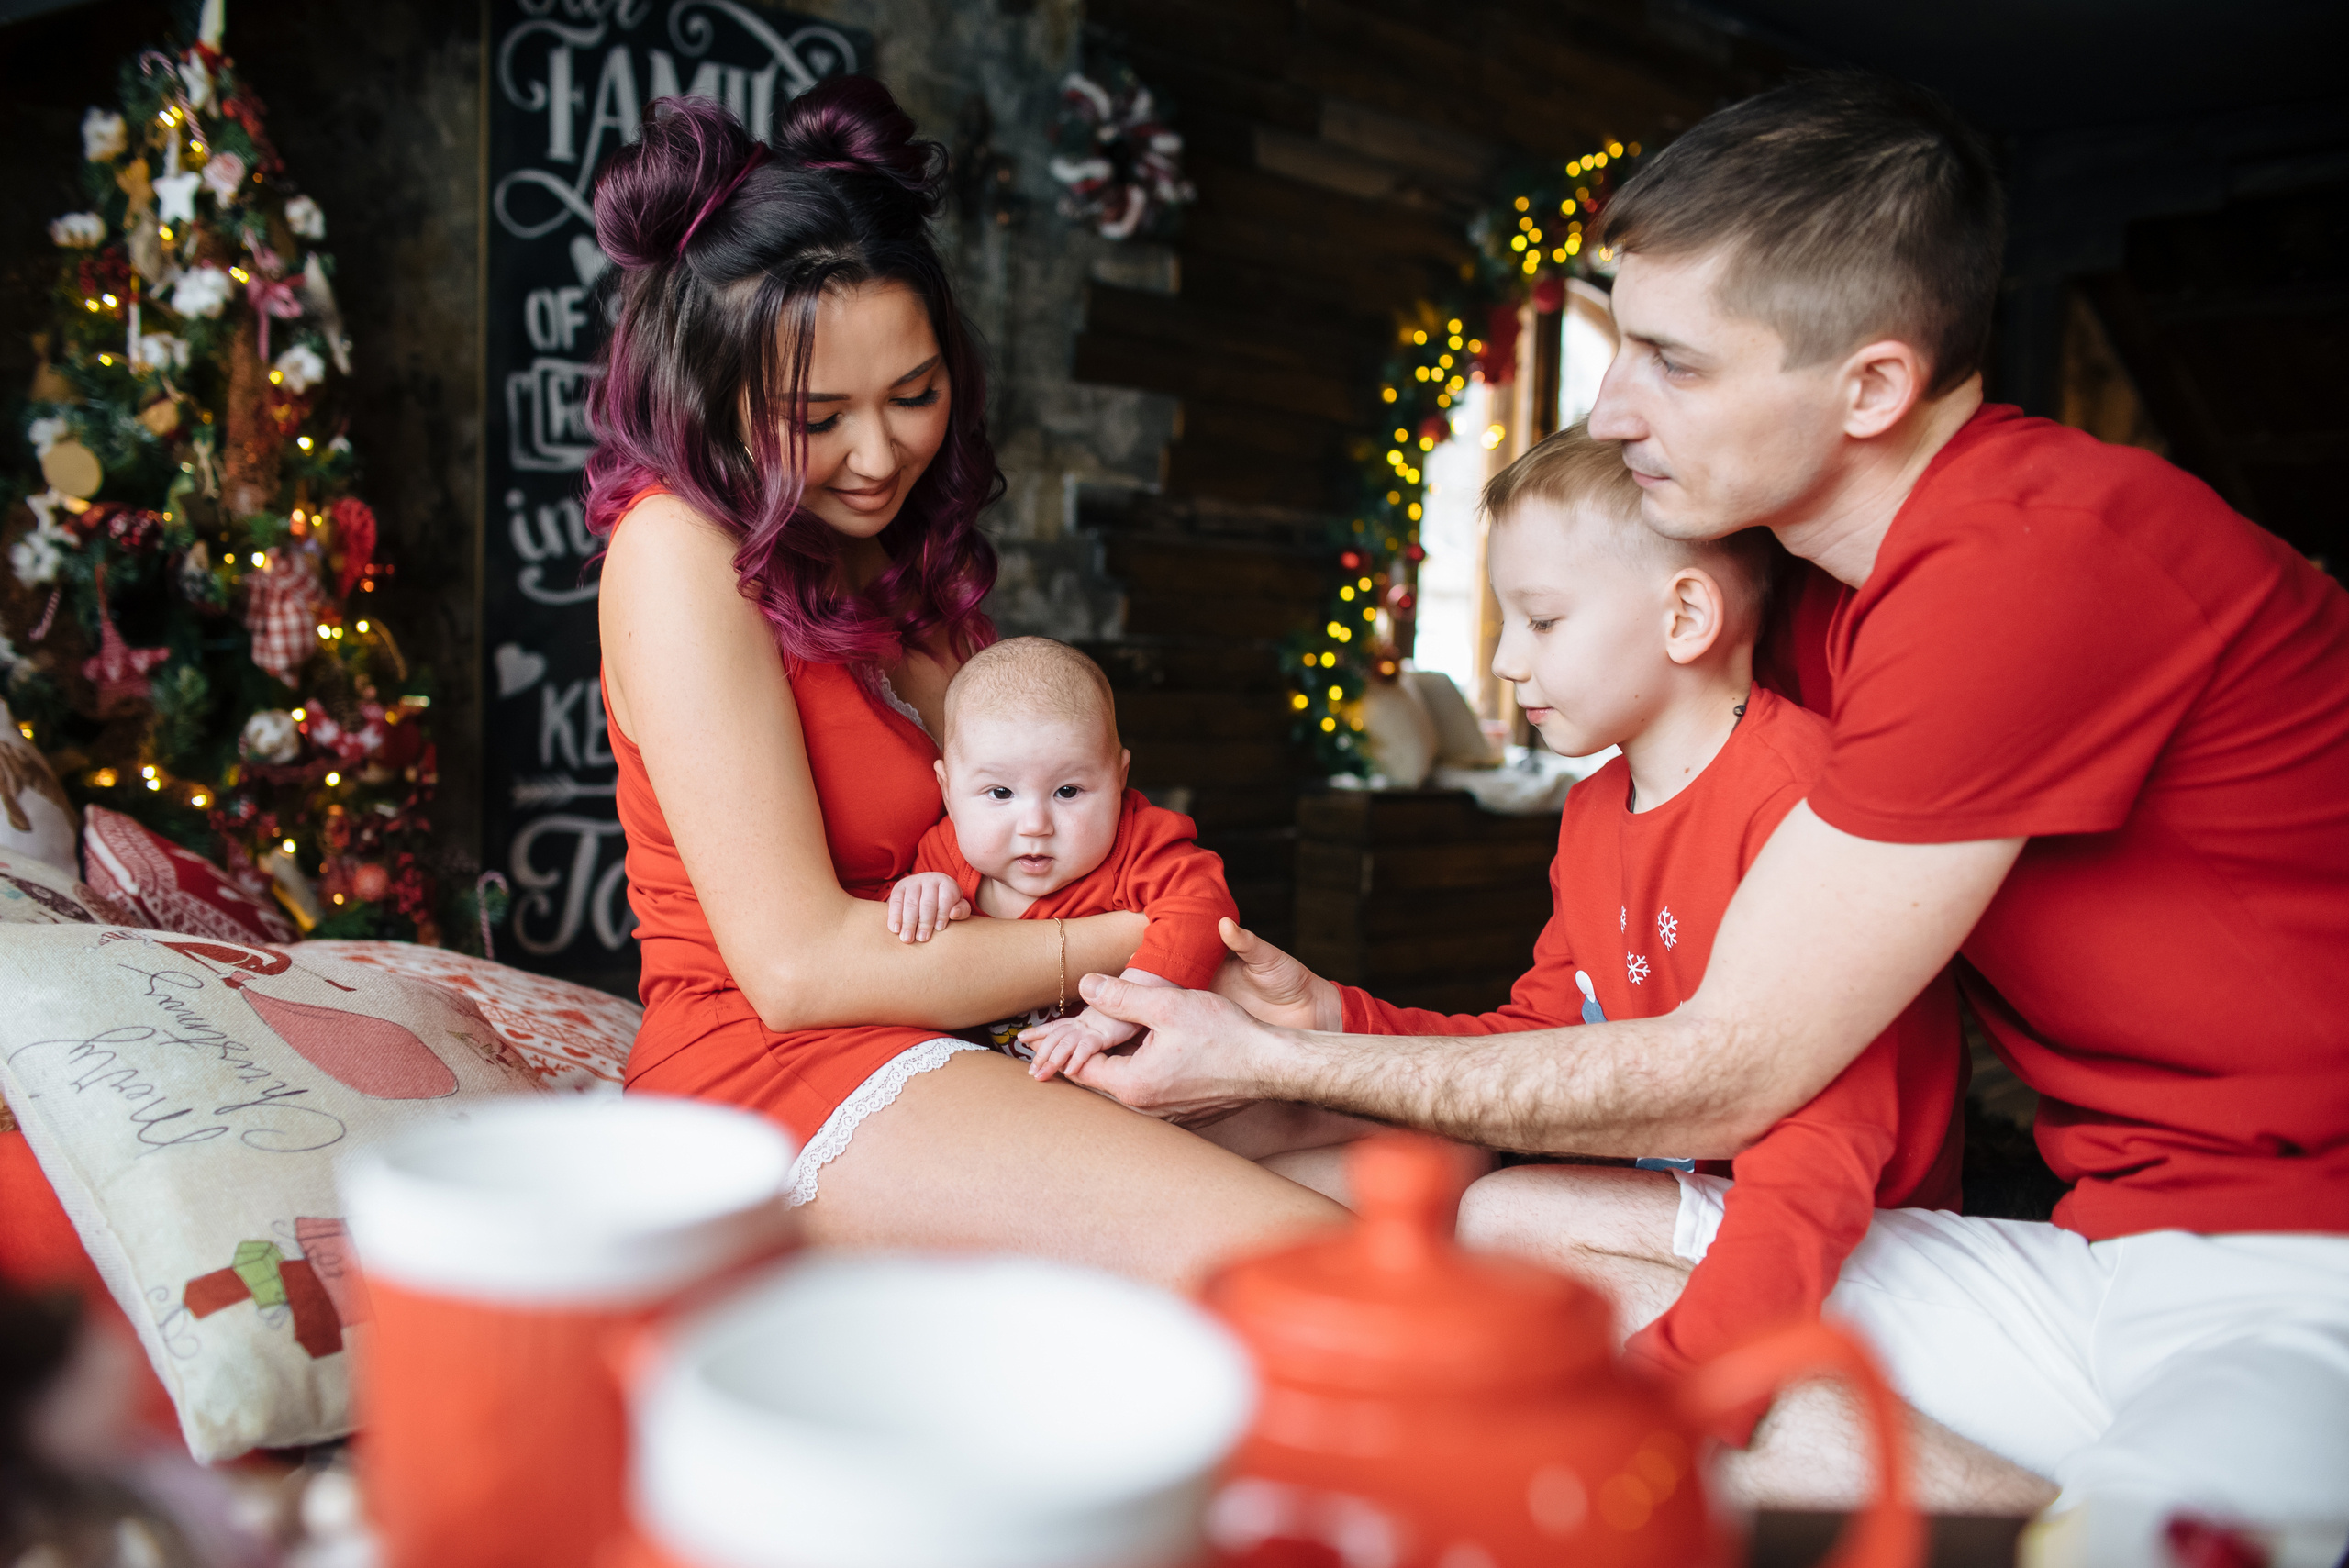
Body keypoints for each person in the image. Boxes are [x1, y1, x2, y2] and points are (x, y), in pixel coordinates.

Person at [1071, 72, 2349, 1530]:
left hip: (2304, 1255)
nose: (1612, 409)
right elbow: (1612, 1015)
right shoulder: (1807, 603)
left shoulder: (2028, 567)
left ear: (1870, 387)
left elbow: (1741, 1068)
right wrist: (1333, 1030)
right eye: (1620, 345)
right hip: (2100, 1254)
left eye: (1672, 362)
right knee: (1504, 1257)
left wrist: (1286, 1063)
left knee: (2146, 1546)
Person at [589, 82, 1341, 1287]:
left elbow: (1042, 839)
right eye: (817, 415)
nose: (881, 454)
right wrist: (1136, 941)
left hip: (967, 1029)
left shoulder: (898, 560)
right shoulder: (676, 551)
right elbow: (801, 973)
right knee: (1325, 1263)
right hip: (770, 1065)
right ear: (713, 394)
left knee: (1400, 1169)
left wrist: (1203, 953)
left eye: (916, 394)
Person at [1330, 424, 1964, 1446]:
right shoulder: (1590, 813)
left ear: (1684, 615)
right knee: (1429, 1193)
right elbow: (1536, 1041)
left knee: (1496, 1221)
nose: (1502, 658)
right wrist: (1333, 1021)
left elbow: (1825, 1149)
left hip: (1858, 1233)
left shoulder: (1805, 800)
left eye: (1539, 620)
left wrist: (1687, 1380)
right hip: (1683, 1200)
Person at [885, 635, 1240, 1083]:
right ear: (948, 793)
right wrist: (917, 892)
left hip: (1147, 1080)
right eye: (1000, 792)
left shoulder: (1141, 844)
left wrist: (1113, 1013)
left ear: (1118, 778)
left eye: (1067, 791)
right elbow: (908, 967)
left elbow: (1204, 910)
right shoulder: (942, 856)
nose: (1035, 824)